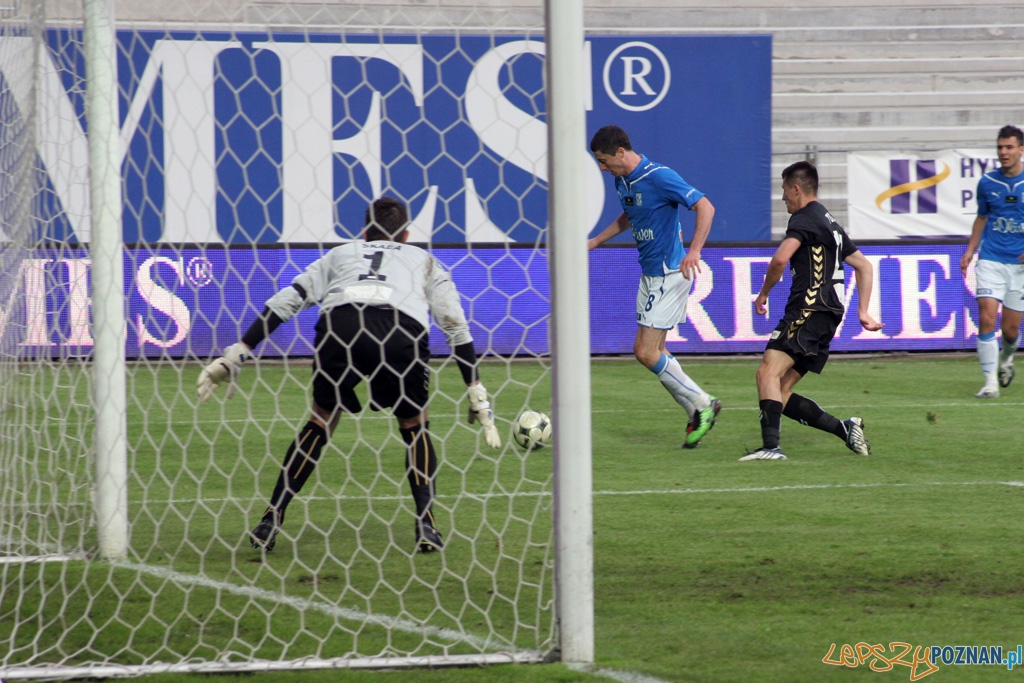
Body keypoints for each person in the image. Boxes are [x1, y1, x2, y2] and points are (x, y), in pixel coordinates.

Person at [196, 196, 501, 553]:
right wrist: (475, 390)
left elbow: (287, 300)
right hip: (398, 333)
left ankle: (271, 518)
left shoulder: (342, 254)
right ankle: (426, 525)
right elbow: (456, 329)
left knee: (320, 421)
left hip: (341, 328)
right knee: (414, 427)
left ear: (364, 232)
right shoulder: (425, 260)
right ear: (405, 235)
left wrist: (238, 353)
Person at [587, 125, 720, 449]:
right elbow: (631, 215)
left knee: (645, 352)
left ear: (620, 152)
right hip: (650, 273)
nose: (602, 168)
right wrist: (595, 241)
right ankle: (694, 411)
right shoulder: (623, 180)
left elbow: (705, 206)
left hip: (669, 271)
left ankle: (703, 402)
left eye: (604, 161)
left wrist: (695, 250)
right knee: (656, 352)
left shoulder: (660, 176)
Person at [741, 161, 884, 461]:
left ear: (796, 188)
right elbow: (864, 266)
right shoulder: (829, 221)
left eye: (784, 191)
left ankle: (771, 448)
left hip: (809, 307)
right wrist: (863, 311)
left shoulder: (805, 218)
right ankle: (845, 429)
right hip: (829, 315)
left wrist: (763, 293)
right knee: (777, 390)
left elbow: (780, 260)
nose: (782, 198)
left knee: (767, 371)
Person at [959, 125, 1024, 399]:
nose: (1003, 152)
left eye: (1009, 147)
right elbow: (982, 217)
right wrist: (970, 251)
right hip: (991, 259)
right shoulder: (987, 183)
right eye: (1000, 147)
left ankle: (1006, 360)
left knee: (1010, 330)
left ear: (1021, 149)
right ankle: (989, 383)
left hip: (1020, 266)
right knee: (986, 316)